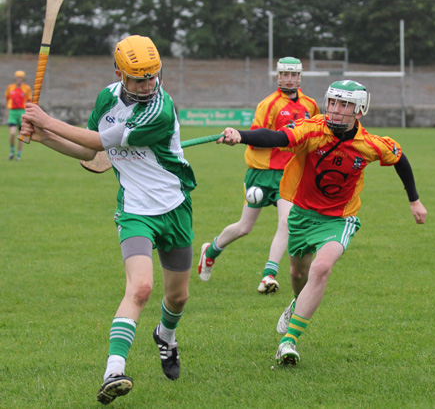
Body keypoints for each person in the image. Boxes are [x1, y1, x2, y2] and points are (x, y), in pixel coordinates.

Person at [20, 35, 197, 404]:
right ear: (120, 73)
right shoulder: (107, 98)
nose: (148, 84)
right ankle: (113, 371)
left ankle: (165, 336)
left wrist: (47, 121)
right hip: (134, 211)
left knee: (177, 297)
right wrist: (42, 138)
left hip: (174, 209)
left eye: (152, 75)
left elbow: (101, 143)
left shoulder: (160, 110)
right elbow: (88, 151)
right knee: (141, 287)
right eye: (139, 78)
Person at [217, 80, 427, 365]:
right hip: (302, 216)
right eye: (333, 102)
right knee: (297, 275)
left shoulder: (369, 145)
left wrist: (414, 200)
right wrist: (241, 136)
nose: (336, 110)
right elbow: (277, 138)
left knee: (322, 267)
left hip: (339, 219)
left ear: (360, 110)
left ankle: (288, 342)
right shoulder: (313, 129)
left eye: (345, 105)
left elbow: (399, 158)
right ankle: (297, 301)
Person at [198, 57, 319, 294]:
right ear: (278, 76)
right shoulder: (270, 104)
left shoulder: (310, 105)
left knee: (286, 223)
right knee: (244, 227)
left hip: (289, 174)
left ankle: (268, 275)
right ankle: (210, 252)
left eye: (293, 75)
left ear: (300, 77)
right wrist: (281, 139)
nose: (289, 79)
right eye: (285, 74)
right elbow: (255, 138)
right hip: (261, 173)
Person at [5, 70, 32, 160]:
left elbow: (29, 101)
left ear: (23, 79)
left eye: (21, 77)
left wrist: (29, 113)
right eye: (18, 77)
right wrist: (6, 110)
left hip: (22, 112)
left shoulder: (26, 88)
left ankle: (19, 155)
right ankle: (12, 151)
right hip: (12, 112)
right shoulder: (10, 87)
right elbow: (7, 98)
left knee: (21, 135)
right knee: (12, 133)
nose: (19, 79)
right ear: (15, 78)